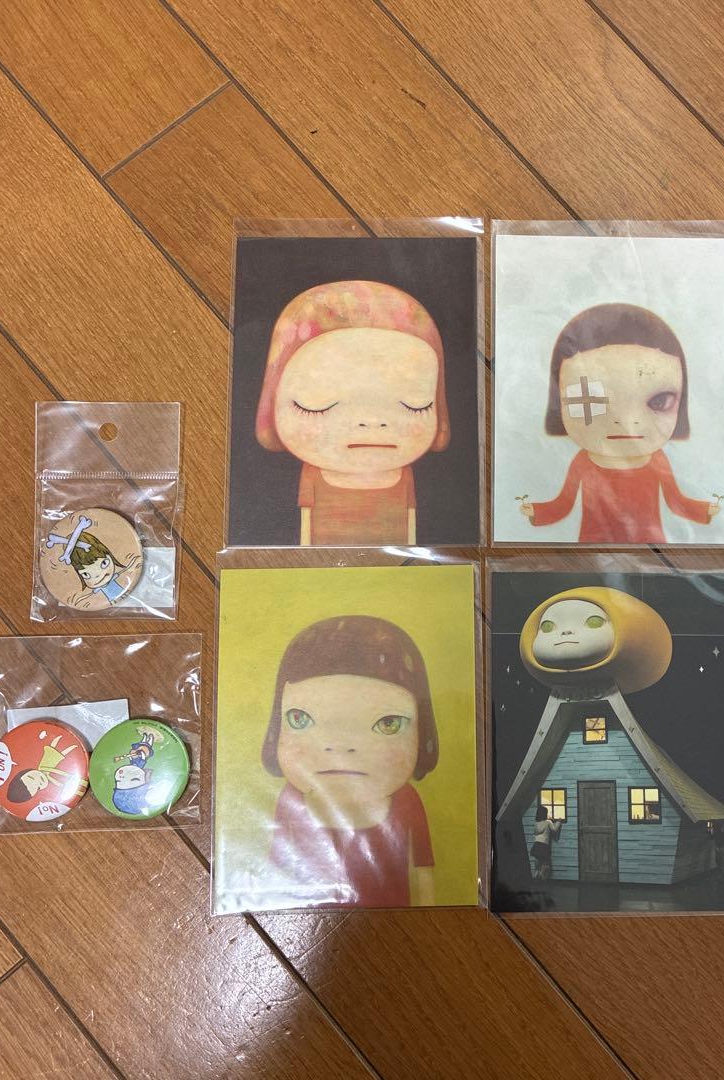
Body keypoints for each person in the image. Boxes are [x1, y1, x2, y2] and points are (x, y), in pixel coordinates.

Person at [255, 281, 451, 545]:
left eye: (414, 405)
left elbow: (410, 522)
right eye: (316, 405)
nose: (371, 422)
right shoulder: (313, 477)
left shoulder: (403, 477)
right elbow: (306, 524)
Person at [262, 615, 438, 906]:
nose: (339, 747)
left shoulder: (407, 802)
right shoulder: (290, 800)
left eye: (388, 723)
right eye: (300, 719)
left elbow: (424, 871)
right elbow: (276, 872)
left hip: (394, 924)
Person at [518, 303, 721, 543]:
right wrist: (536, 512)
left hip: (649, 548)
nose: (625, 421)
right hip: (594, 547)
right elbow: (563, 504)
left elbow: (676, 502)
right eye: (591, 400)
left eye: (659, 401)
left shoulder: (657, 461)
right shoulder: (583, 462)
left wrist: (705, 510)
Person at [531, 803, 562, 880]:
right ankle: (542, 879)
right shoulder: (548, 822)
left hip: (536, 844)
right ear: (545, 814)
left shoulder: (536, 823)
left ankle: (535, 877)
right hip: (544, 845)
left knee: (538, 864)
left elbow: (535, 832)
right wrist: (558, 822)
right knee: (545, 863)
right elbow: (554, 830)